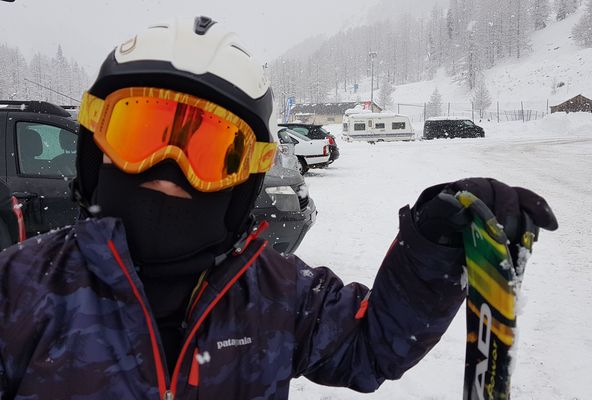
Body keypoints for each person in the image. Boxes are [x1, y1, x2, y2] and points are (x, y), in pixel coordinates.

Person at [0, 17, 557, 400]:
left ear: (245, 180)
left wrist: (430, 250)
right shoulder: (20, 290)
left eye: (210, 151)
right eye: (140, 133)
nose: (169, 169)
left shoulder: (276, 295)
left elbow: (372, 345)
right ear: (96, 149)